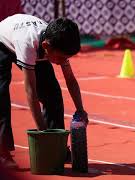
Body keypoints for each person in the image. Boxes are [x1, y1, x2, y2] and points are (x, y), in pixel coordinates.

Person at [0, 14, 88, 169]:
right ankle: (3, 152)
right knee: (1, 95)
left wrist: (80, 109)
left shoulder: (56, 43)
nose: (63, 62)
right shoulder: (28, 44)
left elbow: (70, 80)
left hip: (33, 44)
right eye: (61, 58)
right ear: (47, 46)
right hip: (2, 41)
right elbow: (31, 92)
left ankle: (58, 146)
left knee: (52, 93)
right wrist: (43, 134)